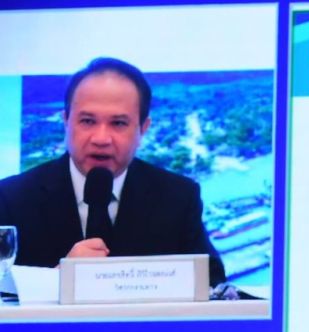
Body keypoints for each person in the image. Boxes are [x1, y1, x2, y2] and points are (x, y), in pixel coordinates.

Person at [0, 57, 226, 286]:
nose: (101, 139)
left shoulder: (178, 197)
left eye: (118, 123)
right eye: (87, 121)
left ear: (143, 129)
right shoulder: (12, 198)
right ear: (66, 121)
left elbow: (213, 282)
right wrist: (56, 280)